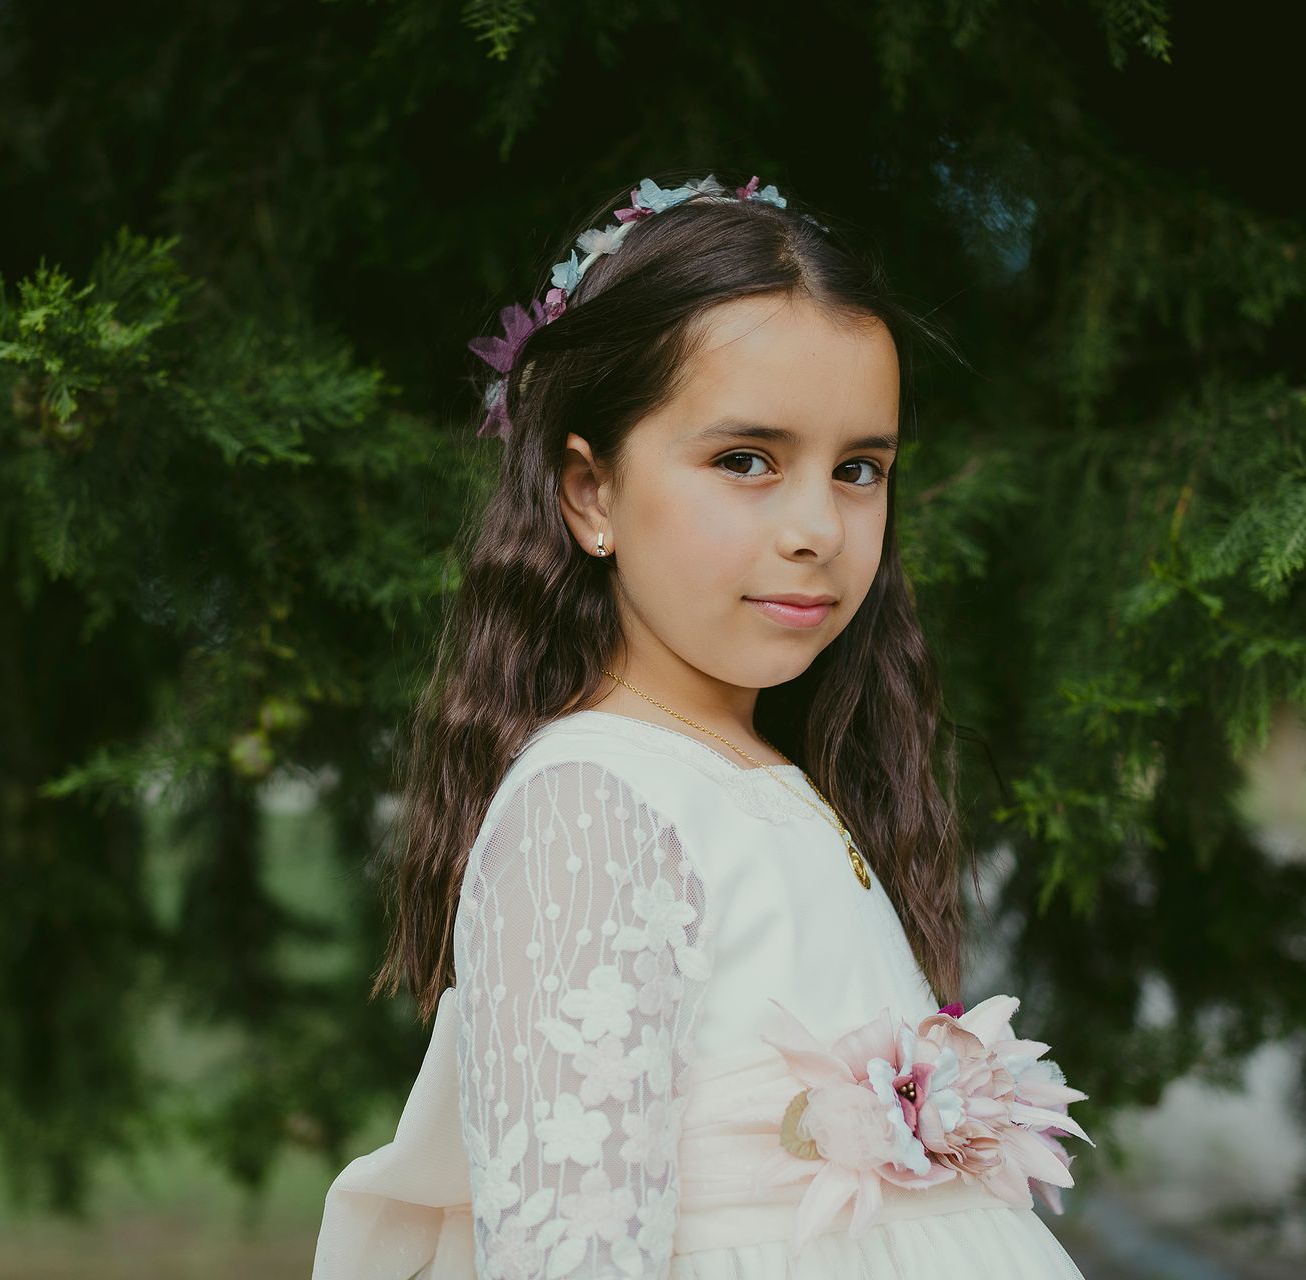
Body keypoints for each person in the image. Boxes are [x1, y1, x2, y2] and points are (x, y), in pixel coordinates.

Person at [312, 171, 1093, 1279]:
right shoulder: (591, 806)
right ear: (590, 494)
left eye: (859, 469)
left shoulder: (765, 774)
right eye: (745, 461)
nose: (818, 527)